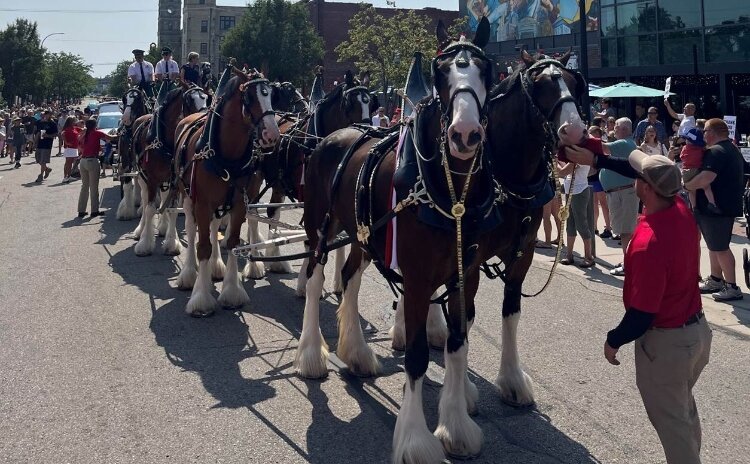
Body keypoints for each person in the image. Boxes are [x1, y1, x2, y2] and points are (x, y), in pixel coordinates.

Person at [597, 148, 710, 464]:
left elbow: (642, 314)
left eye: (638, 175)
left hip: (668, 343)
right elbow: (637, 163)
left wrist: (613, 340)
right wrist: (597, 157)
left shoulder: (650, 244)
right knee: (682, 412)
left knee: (672, 424)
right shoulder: (680, 208)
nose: (634, 176)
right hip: (697, 332)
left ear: (645, 187)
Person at [685, 119, 745, 301]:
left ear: (713, 132)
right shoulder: (731, 148)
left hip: (717, 209)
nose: (703, 134)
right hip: (719, 208)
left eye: (705, 131)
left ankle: (732, 287)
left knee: (720, 247)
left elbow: (706, 178)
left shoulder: (717, 152)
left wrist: (687, 186)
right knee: (714, 245)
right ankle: (716, 279)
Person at [599, 118, 639, 276]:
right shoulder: (624, 143)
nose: (613, 129)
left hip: (624, 193)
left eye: (615, 126)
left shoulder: (625, 143)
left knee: (626, 232)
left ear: (624, 129)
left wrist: (582, 137)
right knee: (624, 231)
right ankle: (627, 260)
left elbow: (602, 148)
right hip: (619, 192)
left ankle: (629, 265)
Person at [77, 119, 114, 217]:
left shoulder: (84, 134)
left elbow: (80, 147)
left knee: (84, 186)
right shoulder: (96, 133)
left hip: (83, 161)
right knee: (94, 187)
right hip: (92, 161)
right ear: (94, 125)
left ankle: (81, 210)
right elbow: (111, 138)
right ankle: (94, 210)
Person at [681, 128, 719, 214]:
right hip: (697, 170)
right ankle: (712, 203)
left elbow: (682, 157)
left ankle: (694, 207)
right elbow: (705, 153)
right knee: (706, 186)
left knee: (692, 191)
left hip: (686, 171)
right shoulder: (700, 149)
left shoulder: (684, 148)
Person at [34, 110, 58, 183]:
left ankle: (41, 175)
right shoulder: (41, 122)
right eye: (46, 114)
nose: (47, 115)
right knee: (38, 159)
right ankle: (47, 169)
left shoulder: (52, 123)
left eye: (48, 114)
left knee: (43, 161)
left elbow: (56, 134)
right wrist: (35, 141)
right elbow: (38, 132)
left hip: (47, 144)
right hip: (40, 143)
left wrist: (48, 135)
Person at [60, 116, 80, 183]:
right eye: (74, 120)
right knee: (68, 163)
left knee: (70, 163)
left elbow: (83, 129)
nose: (75, 122)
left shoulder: (74, 128)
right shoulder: (67, 129)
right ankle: (65, 177)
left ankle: (69, 176)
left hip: (74, 147)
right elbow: (62, 134)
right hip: (69, 148)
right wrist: (66, 142)